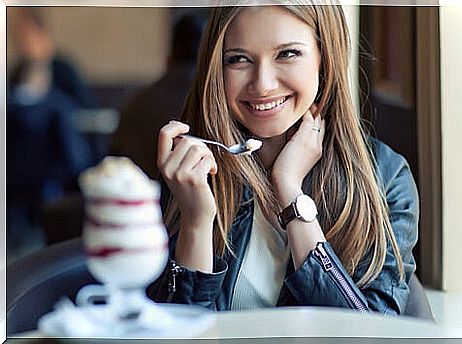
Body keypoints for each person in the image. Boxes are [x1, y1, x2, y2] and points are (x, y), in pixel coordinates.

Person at [148, 4, 418, 315]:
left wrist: (291, 192)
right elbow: (174, 330)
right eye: (238, 59)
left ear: (325, 57)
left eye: (287, 54)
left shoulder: (385, 177)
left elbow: (368, 333)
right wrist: (196, 222)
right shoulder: (188, 172)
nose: (262, 84)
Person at [7, 8, 94, 259]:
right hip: (31, 170)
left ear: (40, 32)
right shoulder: (17, 72)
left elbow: (86, 111)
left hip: (53, 168)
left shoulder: (63, 70)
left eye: (24, 33)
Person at [110, 11, 208, 179]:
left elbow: (114, 159)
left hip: (135, 201)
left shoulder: (137, 102)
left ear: (168, 57)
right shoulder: (216, 106)